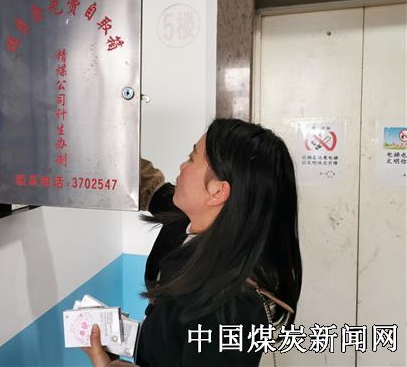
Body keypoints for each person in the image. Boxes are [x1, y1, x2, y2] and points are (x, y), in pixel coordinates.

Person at [82, 118, 303, 366]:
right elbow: (150, 188)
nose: (182, 165)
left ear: (217, 192)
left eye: (191, 158)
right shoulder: (186, 223)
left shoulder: (228, 309)